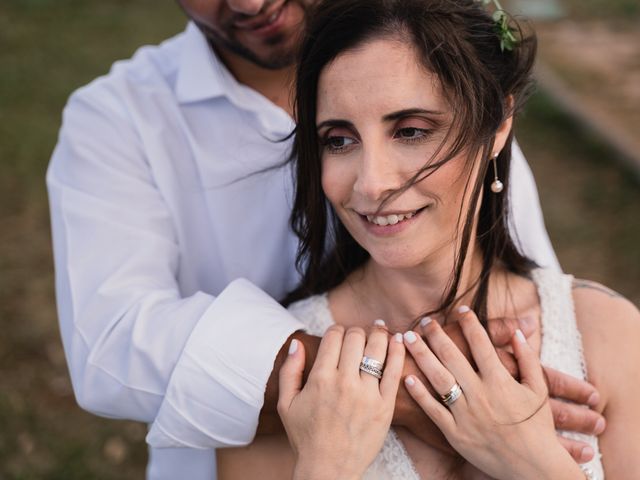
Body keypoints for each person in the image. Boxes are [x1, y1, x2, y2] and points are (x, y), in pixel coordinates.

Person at [46, 0, 605, 478]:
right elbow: (111, 343)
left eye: (410, 131)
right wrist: (403, 384)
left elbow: (520, 286)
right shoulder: (117, 119)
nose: (248, 3)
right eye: (338, 140)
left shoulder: (437, 74)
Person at [216, 0, 640, 478]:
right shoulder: (282, 375)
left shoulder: (608, 335)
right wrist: (324, 466)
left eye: (411, 131)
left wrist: (535, 464)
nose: (371, 183)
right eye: (339, 139)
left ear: (497, 125)